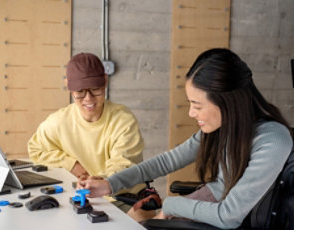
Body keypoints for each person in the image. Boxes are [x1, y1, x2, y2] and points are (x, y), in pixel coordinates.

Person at [79, 48, 294, 229]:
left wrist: (170, 206)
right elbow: (167, 161)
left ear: (227, 102)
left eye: (197, 105)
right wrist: (110, 184)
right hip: (211, 203)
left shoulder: (273, 140)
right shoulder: (224, 127)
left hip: (226, 217)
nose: (191, 113)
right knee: (134, 220)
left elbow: (229, 215)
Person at [27, 52, 146, 211]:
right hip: (85, 199)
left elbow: (124, 164)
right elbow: (36, 149)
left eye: (96, 89)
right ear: (68, 86)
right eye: (80, 92)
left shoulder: (124, 121)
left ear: (105, 80)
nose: (89, 99)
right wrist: (72, 166)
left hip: (124, 200)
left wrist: (100, 180)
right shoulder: (59, 121)